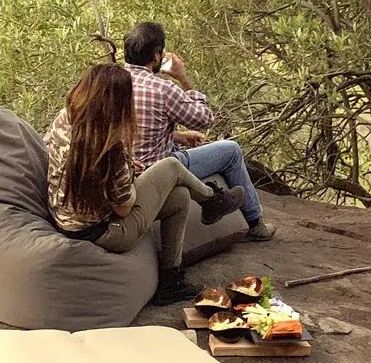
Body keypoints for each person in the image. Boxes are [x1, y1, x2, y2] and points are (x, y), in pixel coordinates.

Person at [44, 64, 246, 305]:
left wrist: (125, 167)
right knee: (170, 166)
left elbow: (64, 159)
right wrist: (128, 173)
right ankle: (212, 200)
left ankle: (171, 282)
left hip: (66, 215)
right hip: (104, 233)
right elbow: (123, 209)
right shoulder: (112, 150)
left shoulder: (65, 119)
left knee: (180, 196)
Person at [122, 22, 277, 241]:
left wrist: (177, 136)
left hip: (125, 168)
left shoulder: (111, 83)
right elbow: (204, 119)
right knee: (231, 150)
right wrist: (183, 78)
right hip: (160, 169)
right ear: (157, 56)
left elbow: (133, 128)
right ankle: (255, 223)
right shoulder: (162, 89)